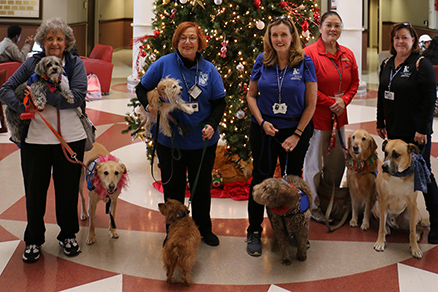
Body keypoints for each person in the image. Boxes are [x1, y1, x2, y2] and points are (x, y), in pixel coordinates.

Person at [0, 17, 87, 263]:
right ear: (42, 42)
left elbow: (77, 97)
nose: (55, 43)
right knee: (35, 192)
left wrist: (46, 98)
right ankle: (34, 240)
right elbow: (5, 89)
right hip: (36, 140)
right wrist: (25, 106)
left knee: (68, 192)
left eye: (59, 39)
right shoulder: (31, 64)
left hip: (70, 139)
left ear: (67, 41)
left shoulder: (75, 64)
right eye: (50, 39)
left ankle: (68, 235)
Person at [136, 21, 226, 247]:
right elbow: (141, 89)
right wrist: (150, 108)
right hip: (170, 141)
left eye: (192, 38)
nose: (188, 42)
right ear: (177, 41)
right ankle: (173, 230)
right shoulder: (163, 63)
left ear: (199, 42)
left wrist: (212, 125)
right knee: (173, 189)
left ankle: (203, 228)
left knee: (201, 187)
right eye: (183, 37)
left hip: (202, 141)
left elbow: (219, 102)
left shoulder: (209, 69)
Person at [245, 16, 317, 256]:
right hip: (265, 129)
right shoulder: (261, 60)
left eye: (283, 34)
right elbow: (251, 96)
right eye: (274, 35)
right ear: (269, 38)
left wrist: (297, 135)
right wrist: (261, 121)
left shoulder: (305, 62)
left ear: (292, 36)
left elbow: (311, 104)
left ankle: (293, 229)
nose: (279, 39)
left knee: (293, 181)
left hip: (295, 130)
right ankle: (254, 230)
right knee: (260, 179)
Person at [377, 22, 438, 244]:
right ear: (392, 42)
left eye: (405, 37)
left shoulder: (422, 64)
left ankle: (436, 220)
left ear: (413, 41)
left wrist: (422, 129)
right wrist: (379, 120)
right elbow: (382, 94)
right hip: (393, 129)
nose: (400, 42)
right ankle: (398, 213)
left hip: (416, 132)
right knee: (395, 172)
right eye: (396, 38)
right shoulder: (387, 63)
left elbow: (430, 98)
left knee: (424, 174)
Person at [302, 11, 359, 223]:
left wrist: (344, 100)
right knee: (314, 164)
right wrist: (330, 102)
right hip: (317, 119)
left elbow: (355, 81)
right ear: (320, 27)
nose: (333, 29)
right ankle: (313, 206)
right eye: (328, 25)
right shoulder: (309, 54)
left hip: (339, 118)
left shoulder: (348, 54)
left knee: (337, 164)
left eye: (337, 25)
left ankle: (331, 201)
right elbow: (308, 87)